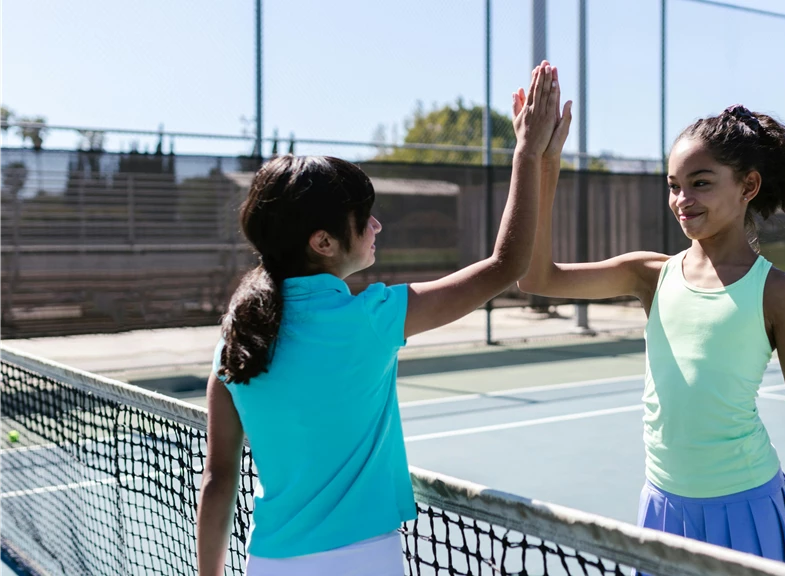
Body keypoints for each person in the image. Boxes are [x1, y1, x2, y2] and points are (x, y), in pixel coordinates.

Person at [196, 62, 572, 575]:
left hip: (268, 562)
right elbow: (506, 266)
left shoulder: (233, 343)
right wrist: (529, 153)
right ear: (323, 242)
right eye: (363, 218)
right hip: (363, 560)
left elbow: (220, 480)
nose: (376, 225)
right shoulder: (373, 318)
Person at [516, 103, 785, 574]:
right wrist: (543, 161)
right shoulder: (649, 275)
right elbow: (535, 276)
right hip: (663, 513)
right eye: (674, 186)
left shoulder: (780, 294)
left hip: (747, 510)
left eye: (700, 182)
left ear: (748, 187)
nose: (682, 199)